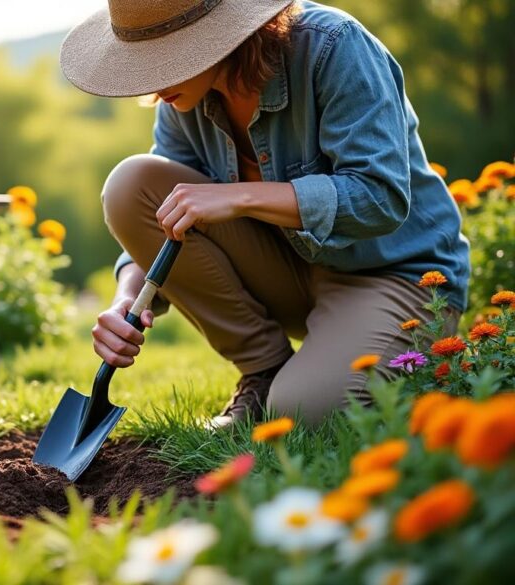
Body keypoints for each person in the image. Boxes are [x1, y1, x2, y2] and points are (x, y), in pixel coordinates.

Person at [59, 0, 470, 426]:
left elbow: (380, 197)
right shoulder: (183, 99)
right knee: (131, 185)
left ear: (214, 35)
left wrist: (241, 196)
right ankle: (263, 369)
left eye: (164, 58)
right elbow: (164, 213)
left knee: (301, 411)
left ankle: (390, 362)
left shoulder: (334, 48)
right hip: (288, 271)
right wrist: (127, 297)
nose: (152, 82)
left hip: (394, 272)